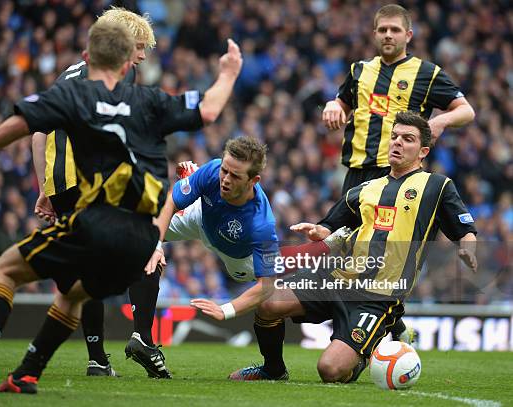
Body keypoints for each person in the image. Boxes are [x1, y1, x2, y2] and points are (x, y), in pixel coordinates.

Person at [0, 19, 243, 394]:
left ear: (87, 56)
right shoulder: (151, 100)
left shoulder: (73, 96)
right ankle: (28, 373)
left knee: (2, 270)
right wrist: (229, 73)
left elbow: (24, 123)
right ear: (127, 64)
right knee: (75, 293)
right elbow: (207, 110)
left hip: (93, 221)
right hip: (143, 239)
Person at [218, 111, 477, 382]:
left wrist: (468, 248)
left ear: (423, 151)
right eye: (395, 136)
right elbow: (330, 224)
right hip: (335, 279)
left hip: (377, 296)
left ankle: (366, 350)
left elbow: (465, 230)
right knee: (268, 304)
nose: (398, 142)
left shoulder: (437, 186)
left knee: (330, 370)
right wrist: (317, 230)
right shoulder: (366, 188)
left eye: (407, 139)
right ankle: (272, 369)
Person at [321, 3, 475, 341]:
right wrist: (334, 105)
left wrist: (440, 120)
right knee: (344, 258)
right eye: (382, 30)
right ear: (374, 34)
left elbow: (466, 110)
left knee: (384, 257)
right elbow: (343, 103)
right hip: (357, 175)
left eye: (394, 30)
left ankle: (376, 326)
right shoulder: (359, 70)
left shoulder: (426, 73)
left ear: (408, 35)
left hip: (397, 176)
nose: (388, 35)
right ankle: (390, 329)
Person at [137, 137, 351, 380]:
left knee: (279, 269)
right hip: (201, 219)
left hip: (239, 258)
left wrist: (226, 310)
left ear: (253, 180)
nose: (226, 179)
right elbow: (170, 203)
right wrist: (156, 246)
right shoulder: (213, 172)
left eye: (235, 176)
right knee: (143, 229)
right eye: (224, 171)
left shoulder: (261, 223)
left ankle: (330, 243)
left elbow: (265, 286)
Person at [31, 6, 159, 378]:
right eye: (140, 47)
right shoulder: (113, 72)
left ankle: (96, 359)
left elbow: (39, 131)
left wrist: (45, 187)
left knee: (88, 264)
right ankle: (143, 337)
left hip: (61, 182)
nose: (143, 56)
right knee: (147, 244)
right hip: (91, 178)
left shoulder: (67, 72)